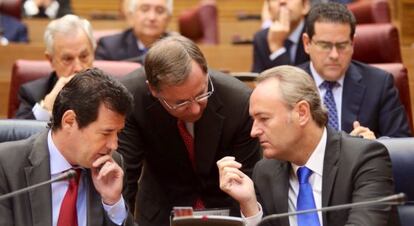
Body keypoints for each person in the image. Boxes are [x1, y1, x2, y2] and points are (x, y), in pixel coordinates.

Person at [217, 65, 400, 226]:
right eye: (253, 120)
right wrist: (249, 205)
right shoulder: (265, 172)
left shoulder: (365, 159)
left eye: (264, 119)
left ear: (302, 113)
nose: (254, 131)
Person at [117, 35, 261, 226]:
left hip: (227, 211)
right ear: (153, 90)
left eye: (201, 94)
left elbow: (250, 179)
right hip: (161, 211)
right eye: (181, 103)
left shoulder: (239, 102)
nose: (194, 109)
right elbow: (125, 177)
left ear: (206, 72)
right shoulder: (132, 98)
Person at [0, 68, 135, 226]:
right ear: (69, 121)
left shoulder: (112, 166)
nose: (114, 145)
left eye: (118, 133)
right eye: (106, 133)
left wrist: (113, 203)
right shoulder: (6, 165)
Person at [299, 2, 412, 138]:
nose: (334, 55)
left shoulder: (380, 84)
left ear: (352, 43)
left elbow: (401, 144)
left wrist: (376, 146)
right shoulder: (286, 86)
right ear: (306, 43)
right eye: (325, 45)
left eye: (342, 45)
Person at [15, 14, 95, 120]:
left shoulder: (112, 90)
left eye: (84, 56)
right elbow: (18, 133)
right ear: (51, 60)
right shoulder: (33, 94)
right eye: (68, 59)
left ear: (93, 53)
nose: (78, 68)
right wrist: (46, 110)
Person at [95, 0, 172, 63]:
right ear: (131, 16)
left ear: (168, 19)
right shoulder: (109, 47)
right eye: (145, 9)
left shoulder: (179, 49)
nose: (152, 17)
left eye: (160, 11)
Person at [252, 0, 310, 73]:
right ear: (268, 9)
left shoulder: (314, 34)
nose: (282, 1)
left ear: (305, 6)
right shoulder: (261, 38)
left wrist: (277, 48)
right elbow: (258, 80)